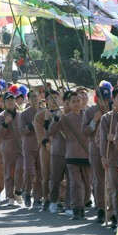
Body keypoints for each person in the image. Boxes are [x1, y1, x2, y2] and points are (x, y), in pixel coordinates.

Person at [49, 91, 89, 220]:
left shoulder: (87, 116)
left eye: (78, 101)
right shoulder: (65, 118)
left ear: (82, 102)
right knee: (74, 183)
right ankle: (75, 207)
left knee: (87, 184)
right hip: (71, 154)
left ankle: (82, 205)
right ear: (68, 104)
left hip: (87, 153)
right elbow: (51, 131)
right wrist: (57, 118)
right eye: (73, 102)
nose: (76, 104)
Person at [99, 86, 118, 229]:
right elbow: (103, 139)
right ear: (113, 100)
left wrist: (115, 137)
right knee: (117, 190)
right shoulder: (107, 118)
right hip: (113, 158)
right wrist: (103, 157)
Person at [82, 85, 111, 223]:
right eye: (102, 99)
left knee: (112, 181)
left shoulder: (113, 111)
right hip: (95, 149)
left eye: (107, 99)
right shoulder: (90, 112)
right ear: (97, 98)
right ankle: (101, 207)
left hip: (112, 150)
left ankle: (112, 208)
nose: (105, 102)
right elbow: (85, 132)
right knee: (98, 180)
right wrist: (94, 121)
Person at [37, 89, 66, 213]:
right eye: (51, 98)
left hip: (60, 148)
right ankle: (46, 198)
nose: (54, 100)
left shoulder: (63, 113)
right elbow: (39, 132)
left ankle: (59, 199)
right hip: (46, 148)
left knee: (59, 175)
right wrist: (45, 143)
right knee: (46, 174)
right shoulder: (40, 115)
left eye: (56, 97)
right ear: (46, 100)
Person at [0, 92, 23, 206]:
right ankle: (10, 196)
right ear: (5, 103)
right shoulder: (0, 116)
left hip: (20, 148)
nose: (11, 102)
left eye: (12, 99)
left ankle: (18, 191)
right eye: (8, 100)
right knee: (8, 174)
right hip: (7, 149)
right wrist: (5, 123)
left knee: (21, 170)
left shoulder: (21, 115)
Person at [18, 90, 43, 208]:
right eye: (32, 97)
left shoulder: (43, 112)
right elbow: (22, 131)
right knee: (29, 171)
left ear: (39, 97)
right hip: (29, 146)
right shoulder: (24, 114)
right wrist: (32, 125)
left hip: (42, 146)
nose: (34, 99)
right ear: (28, 99)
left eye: (36, 96)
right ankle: (26, 192)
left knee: (40, 173)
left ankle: (37, 198)